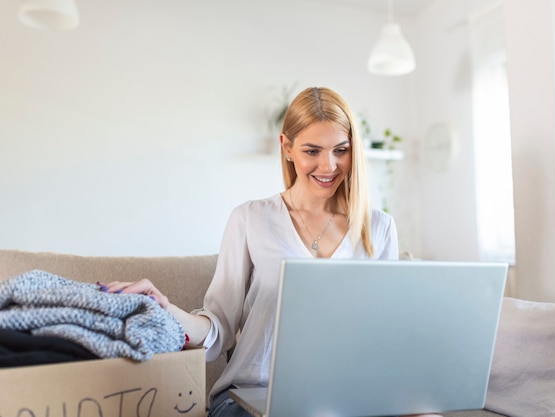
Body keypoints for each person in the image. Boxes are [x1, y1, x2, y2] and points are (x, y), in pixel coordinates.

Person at [102, 86, 400, 417]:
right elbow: (218, 327)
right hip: (252, 394)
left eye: (340, 150)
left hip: (343, 397)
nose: (329, 166)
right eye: (312, 151)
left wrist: (412, 400)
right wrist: (168, 309)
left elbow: (387, 337)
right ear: (286, 147)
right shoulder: (250, 219)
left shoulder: (379, 229)